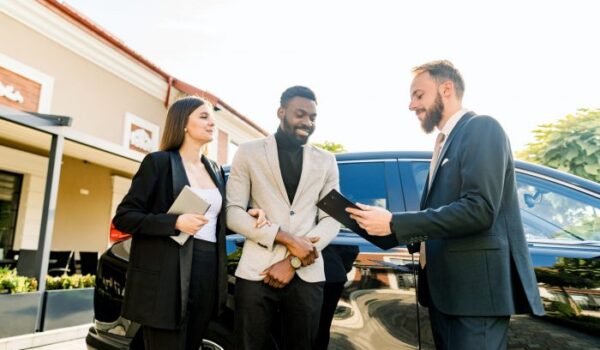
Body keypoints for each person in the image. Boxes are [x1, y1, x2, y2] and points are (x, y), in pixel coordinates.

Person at [346, 60, 544, 350]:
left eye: (419, 95)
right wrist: (381, 228)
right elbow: (441, 220)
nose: (411, 105)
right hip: (446, 297)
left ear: (446, 89)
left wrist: (395, 222)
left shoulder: (482, 128)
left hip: (475, 299)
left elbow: (479, 210)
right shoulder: (443, 143)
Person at [113, 96, 267, 350]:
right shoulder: (158, 163)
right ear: (183, 123)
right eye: (204, 117)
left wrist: (249, 212)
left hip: (208, 271)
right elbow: (124, 217)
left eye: (213, 120)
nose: (212, 125)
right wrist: (175, 222)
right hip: (167, 275)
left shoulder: (215, 169)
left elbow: (216, 220)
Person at [226, 86, 341, 350]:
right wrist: (285, 238)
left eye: (313, 117)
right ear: (281, 112)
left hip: (307, 275)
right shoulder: (248, 152)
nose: (308, 123)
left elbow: (332, 219)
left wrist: (294, 260)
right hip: (257, 273)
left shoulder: (326, 161)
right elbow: (233, 212)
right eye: (300, 114)